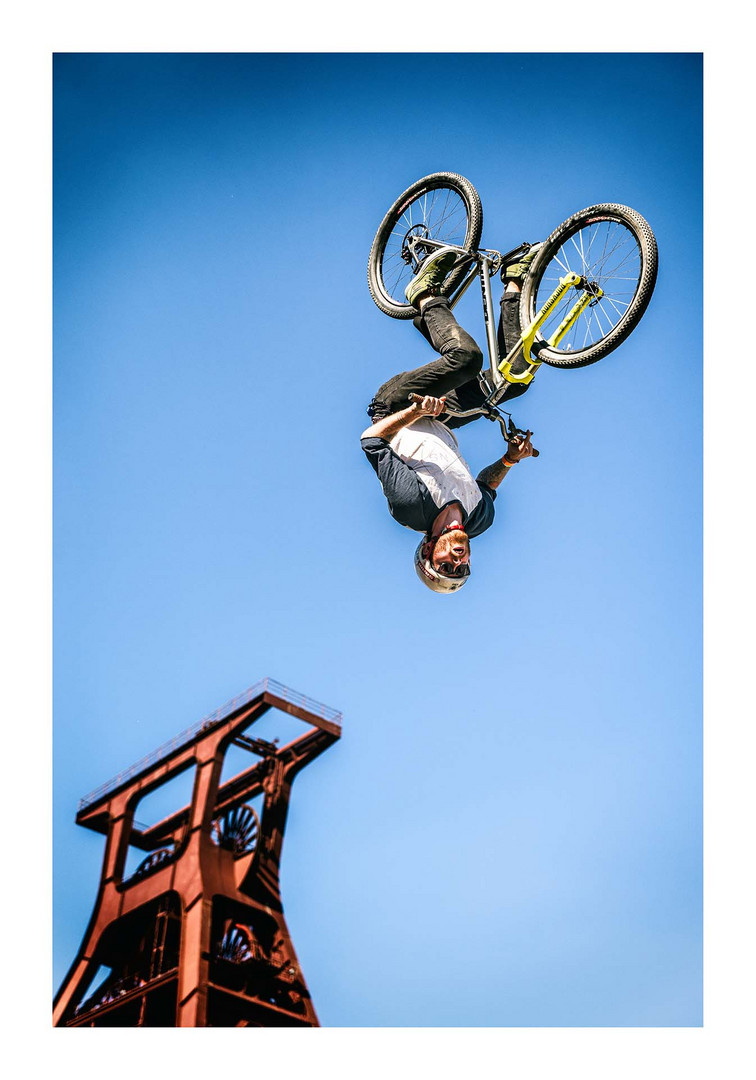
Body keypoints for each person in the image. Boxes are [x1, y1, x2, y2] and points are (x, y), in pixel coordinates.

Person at [361, 247, 537, 594]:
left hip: (396, 408)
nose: (459, 559)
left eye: (446, 565)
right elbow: (486, 486)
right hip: (443, 418)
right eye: (463, 567)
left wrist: (415, 412)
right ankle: (515, 282)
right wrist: (509, 460)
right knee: (514, 380)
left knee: (467, 359)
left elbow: (371, 441)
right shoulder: (478, 521)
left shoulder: (411, 507)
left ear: (428, 549)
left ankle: (424, 296)